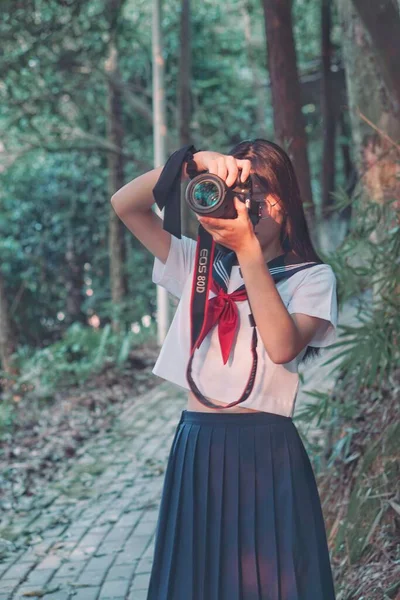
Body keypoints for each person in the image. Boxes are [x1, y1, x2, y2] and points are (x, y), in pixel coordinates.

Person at [111, 139, 338, 600]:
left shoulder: (312, 278)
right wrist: (188, 164)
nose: (247, 201)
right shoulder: (199, 265)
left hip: (266, 448)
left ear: (283, 201)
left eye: (258, 190)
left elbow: (281, 347)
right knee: (196, 582)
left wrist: (248, 250)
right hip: (198, 445)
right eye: (240, 188)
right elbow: (125, 206)